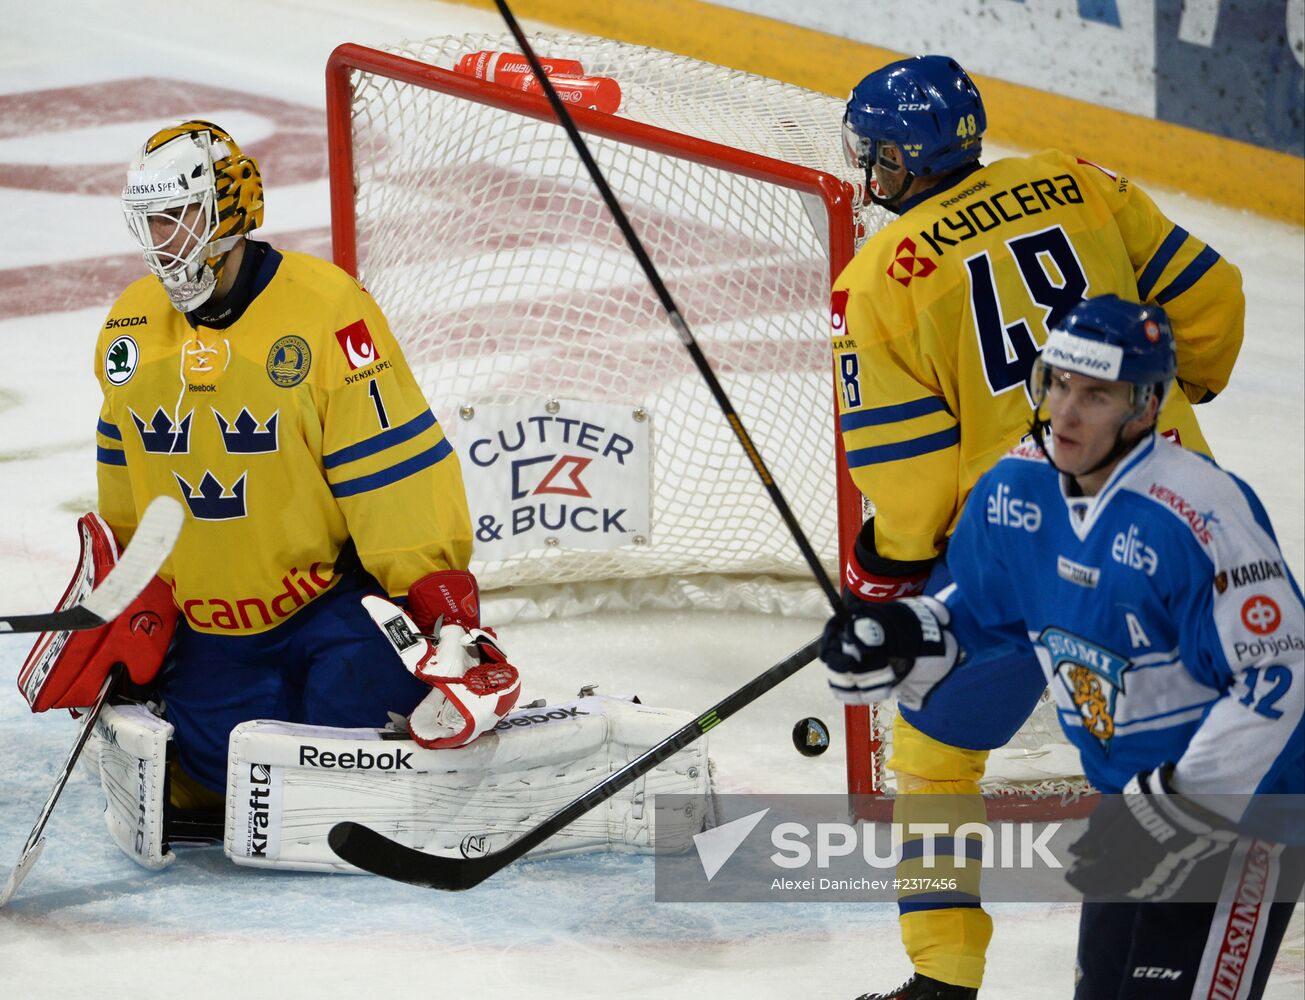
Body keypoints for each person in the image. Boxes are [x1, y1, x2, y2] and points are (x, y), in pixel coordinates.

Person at [829, 55, 1245, 998]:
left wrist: (887, 564)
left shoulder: (877, 284)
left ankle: (943, 978)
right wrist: (1180, 401)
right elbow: (1211, 300)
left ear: (898, 156)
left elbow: (909, 476)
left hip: (1018, 546)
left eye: (874, 152)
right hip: (1170, 519)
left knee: (935, 761)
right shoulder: (1078, 180)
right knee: (1173, 750)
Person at [21, 120, 519, 814]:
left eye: (180, 218)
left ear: (231, 210)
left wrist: (443, 607)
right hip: (211, 628)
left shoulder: (325, 310)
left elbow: (391, 470)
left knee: (362, 740)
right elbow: (125, 491)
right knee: (221, 783)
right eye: (152, 222)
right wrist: (128, 601)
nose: (164, 243)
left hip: (328, 608)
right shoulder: (129, 328)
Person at [822, 294, 1303, 1000]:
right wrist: (898, 635)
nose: (1067, 413)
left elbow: (1280, 680)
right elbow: (979, 614)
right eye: (1058, 383)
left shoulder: (1200, 515)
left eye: (1096, 394)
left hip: (1240, 817)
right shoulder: (1016, 489)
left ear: (1144, 406)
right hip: (1132, 809)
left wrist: (1173, 809)